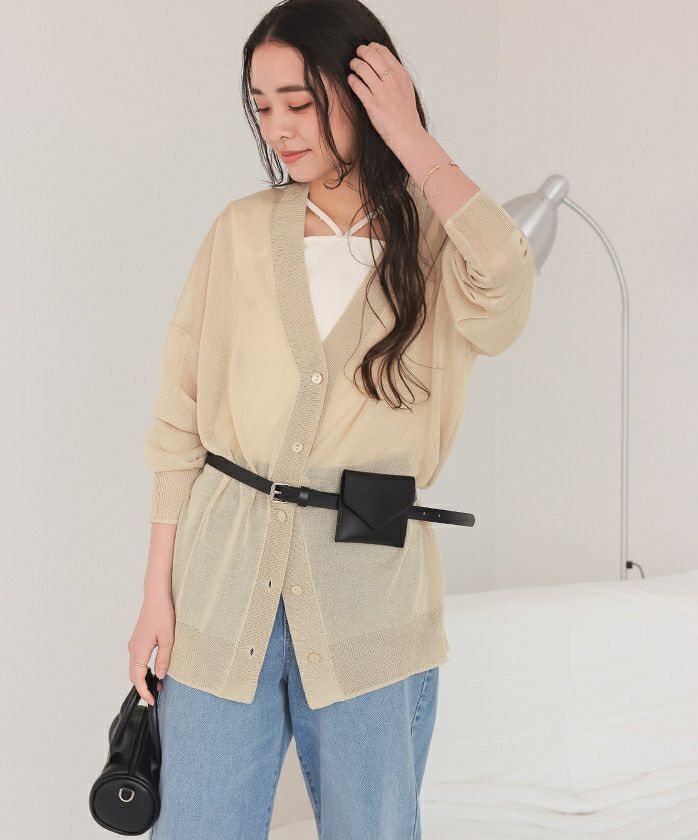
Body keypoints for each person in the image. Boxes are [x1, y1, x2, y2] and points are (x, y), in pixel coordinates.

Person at [128, 1, 535, 837]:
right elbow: (178, 424)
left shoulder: (439, 242)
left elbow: (506, 283)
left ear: (364, 92)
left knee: (372, 825)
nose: (278, 127)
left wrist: (409, 137)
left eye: (300, 102)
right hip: (221, 579)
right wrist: (154, 597)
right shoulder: (241, 232)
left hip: (371, 592)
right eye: (262, 105)